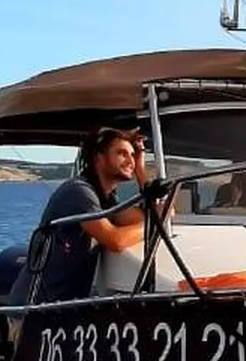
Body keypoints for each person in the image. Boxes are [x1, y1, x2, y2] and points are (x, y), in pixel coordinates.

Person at [13, 128, 148, 306]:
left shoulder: (106, 200)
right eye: (122, 154)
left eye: (133, 154)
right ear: (98, 157)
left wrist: (140, 169)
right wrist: (151, 227)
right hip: (33, 310)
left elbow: (161, 213)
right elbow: (115, 240)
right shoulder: (78, 191)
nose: (130, 160)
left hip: (63, 308)